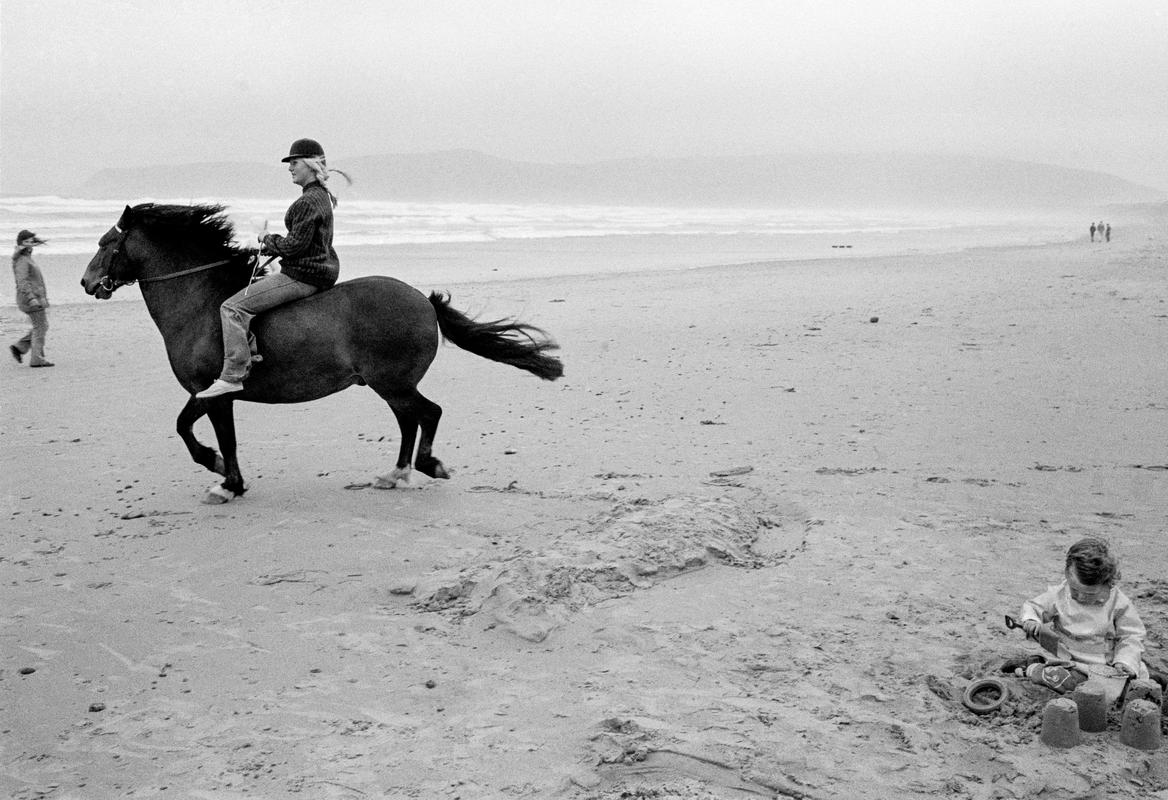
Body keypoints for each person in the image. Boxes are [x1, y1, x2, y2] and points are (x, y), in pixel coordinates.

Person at [196, 138, 350, 398]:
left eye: (295, 162)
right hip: (317, 269)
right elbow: (303, 242)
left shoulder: (308, 201)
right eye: (289, 163)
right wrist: (273, 245)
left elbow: (293, 248)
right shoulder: (319, 196)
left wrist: (265, 238)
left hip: (302, 275)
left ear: (311, 165)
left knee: (233, 307)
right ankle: (251, 354)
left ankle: (233, 375)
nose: (290, 168)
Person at [1013, 537, 1158, 702]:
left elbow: (1131, 636)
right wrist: (1031, 620)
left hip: (1108, 668)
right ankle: (1035, 669)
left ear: (1108, 584)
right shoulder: (1059, 595)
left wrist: (1124, 662)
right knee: (1070, 684)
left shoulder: (1119, 604)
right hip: (1070, 662)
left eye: (1089, 594)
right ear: (1067, 576)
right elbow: (1034, 606)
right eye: (1074, 590)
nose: (1080, 597)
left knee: (1134, 687)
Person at [10, 229, 54, 368]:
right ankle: (36, 359)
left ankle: (20, 347)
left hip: (35, 298)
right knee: (40, 327)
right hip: (30, 299)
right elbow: (22, 282)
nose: (29, 244)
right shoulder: (22, 260)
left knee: (41, 326)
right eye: (25, 242)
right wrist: (31, 299)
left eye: (30, 241)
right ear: (20, 243)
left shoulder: (26, 257)